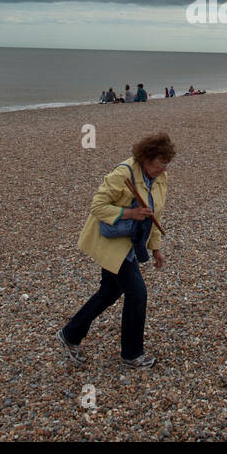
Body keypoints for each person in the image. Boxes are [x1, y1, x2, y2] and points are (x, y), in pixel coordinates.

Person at [58, 133, 174, 369]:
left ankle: (70, 335)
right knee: (137, 293)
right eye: (157, 164)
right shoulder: (124, 173)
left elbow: (155, 215)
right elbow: (97, 206)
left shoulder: (160, 178)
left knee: (110, 291)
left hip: (131, 243)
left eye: (165, 164)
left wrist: (156, 249)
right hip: (112, 242)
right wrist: (130, 213)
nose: (162, 169)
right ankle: (132, 354)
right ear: (145, 158)